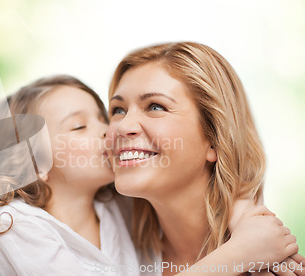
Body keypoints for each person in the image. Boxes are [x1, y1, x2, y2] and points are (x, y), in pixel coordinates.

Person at [106, 42, 304, 275]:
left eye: (155, 106)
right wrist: (240, 252)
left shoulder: (271, 266)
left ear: (214, 139)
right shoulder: (109, 246)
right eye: (118, 110)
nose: (123, 126)